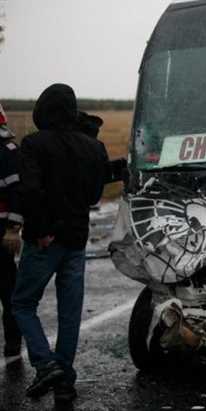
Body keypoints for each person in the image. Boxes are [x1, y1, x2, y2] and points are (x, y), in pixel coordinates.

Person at [11, 84, 108, 403]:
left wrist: (41, 230)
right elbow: (94, 196)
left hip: (45, 240)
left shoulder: (33, 144)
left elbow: (30, 191)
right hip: (77, 239)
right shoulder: (93, 147)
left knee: (23, 303)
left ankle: (45, 364)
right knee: (69, 313)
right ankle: (64, 381)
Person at [0, 103, 23, 358]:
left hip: (1, 230)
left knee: (7, 289)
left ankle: (13, 342)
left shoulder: (8, 151)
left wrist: (13, 229)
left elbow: (18, 193)